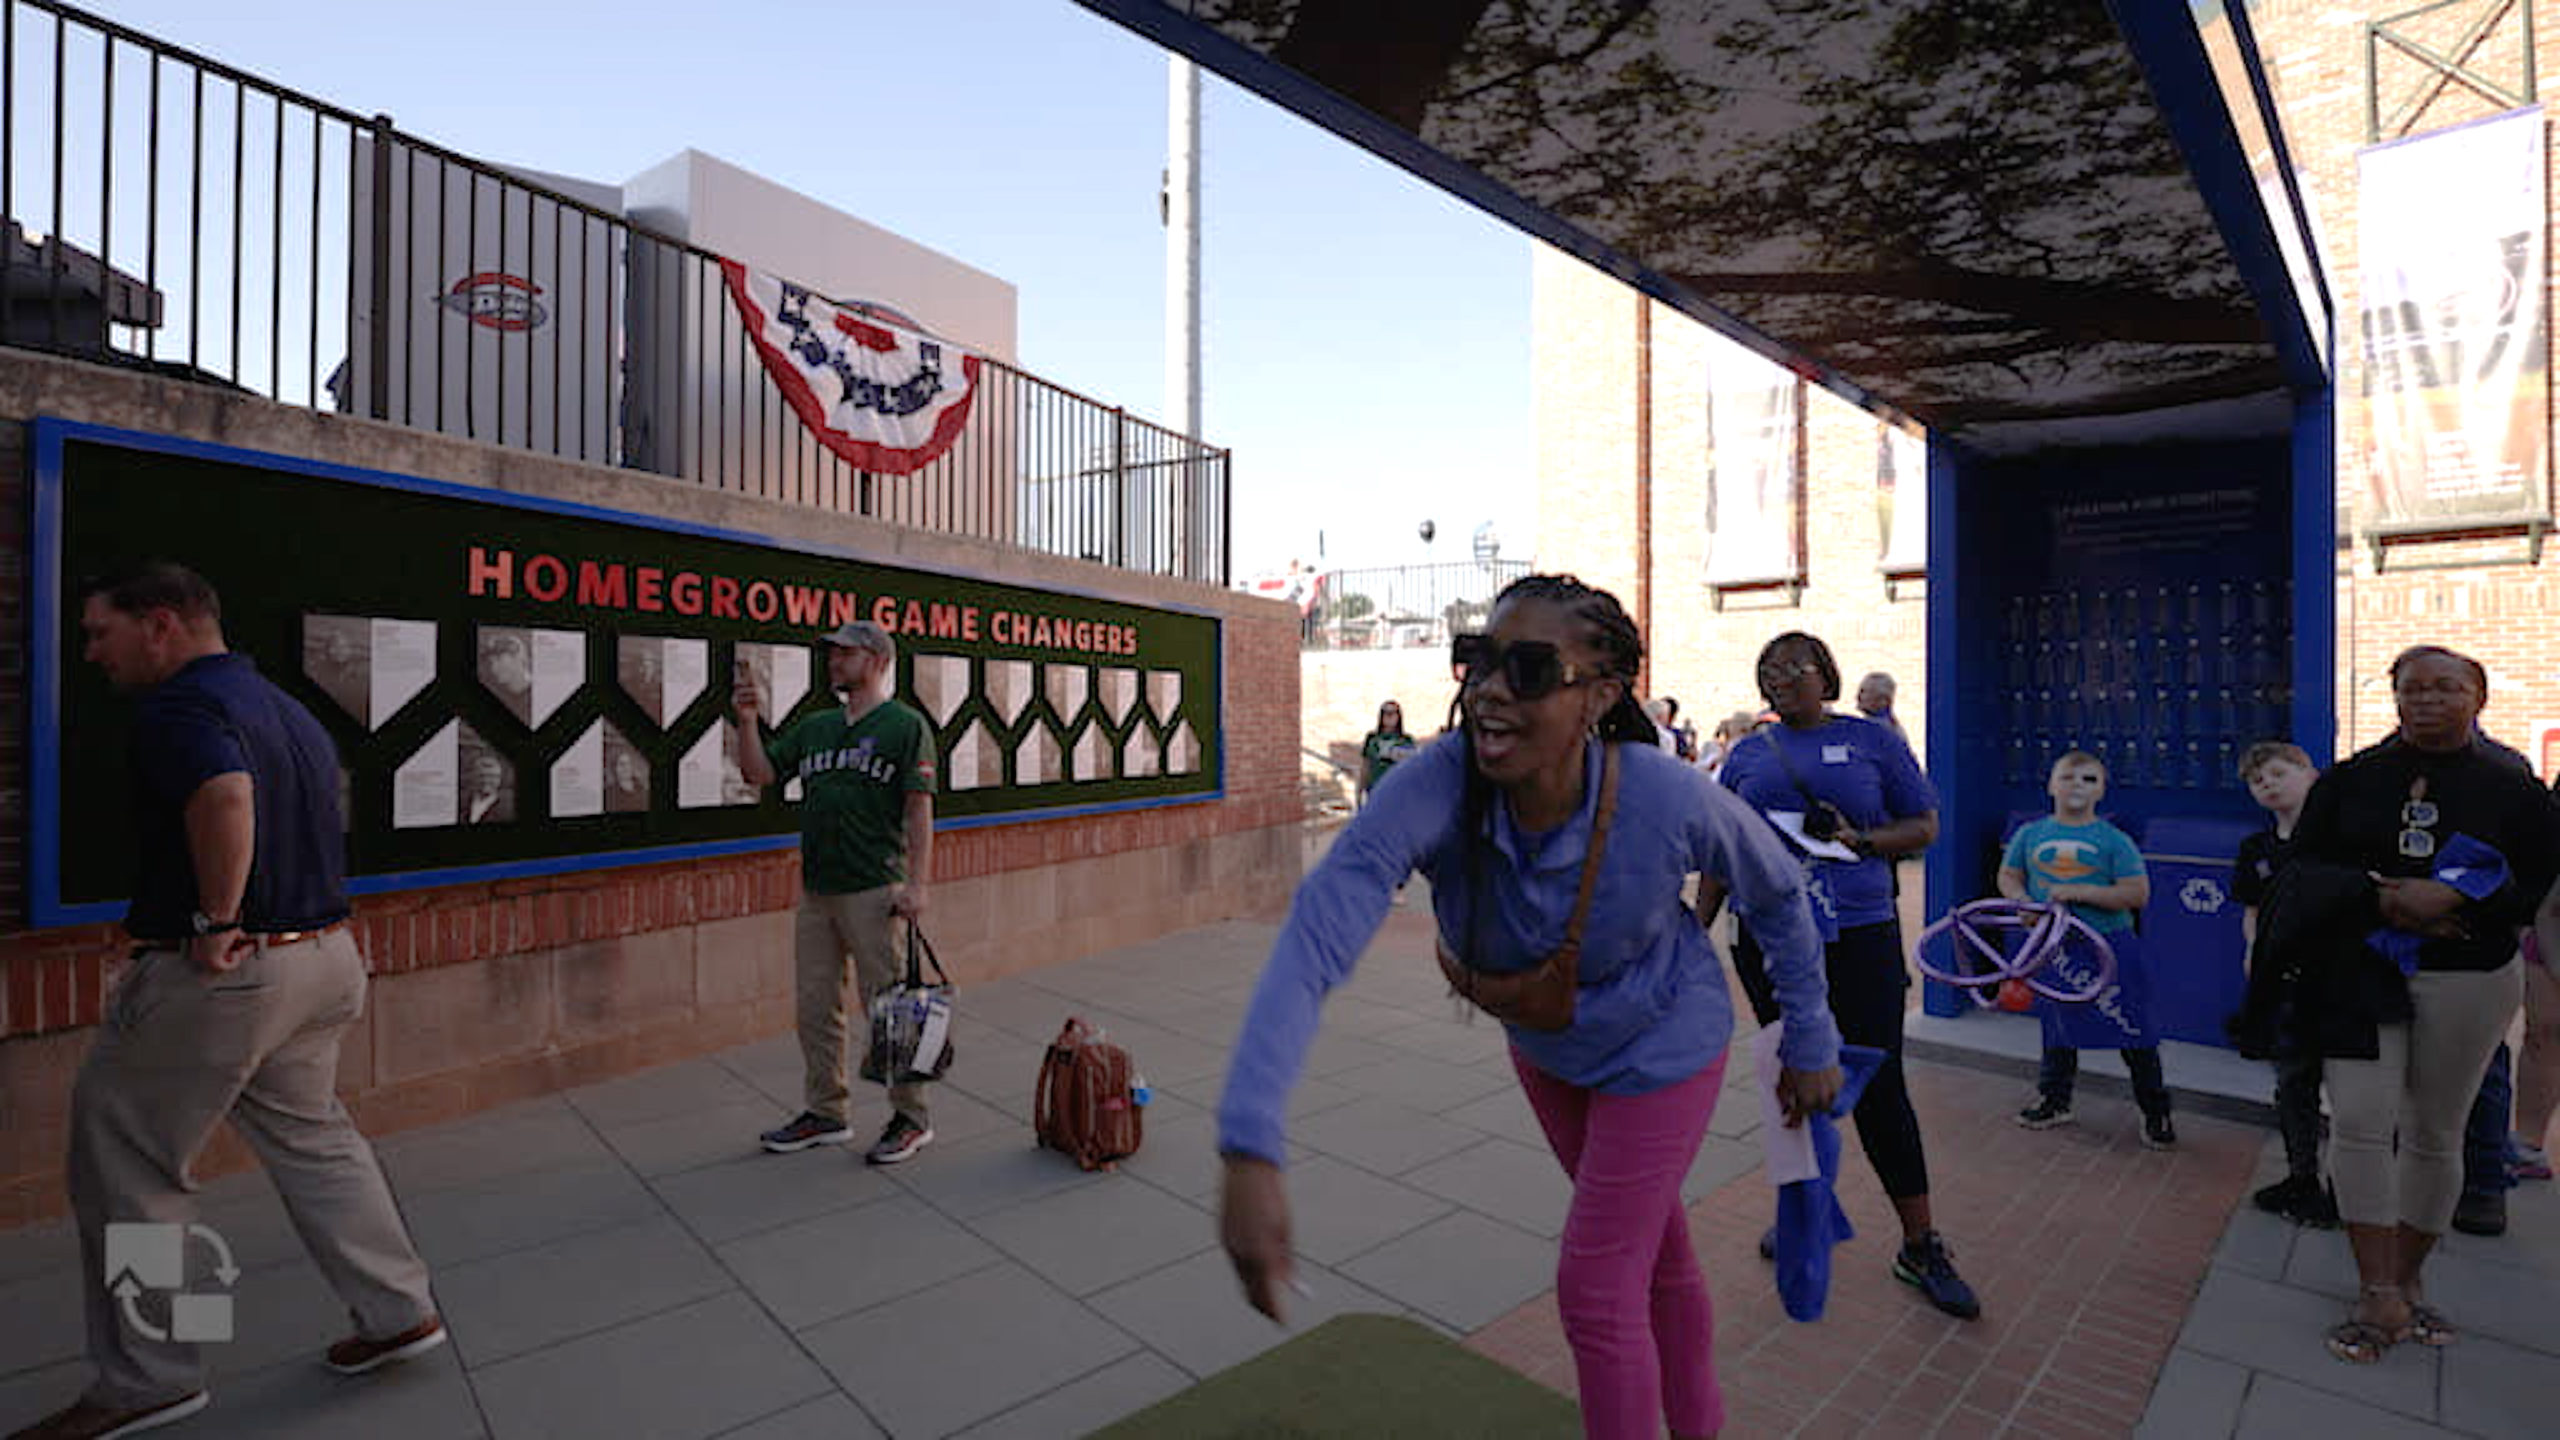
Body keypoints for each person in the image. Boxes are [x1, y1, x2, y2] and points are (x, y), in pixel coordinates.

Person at [1218, 574, 1842, 1440]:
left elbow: (1776, 894)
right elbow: (1319, 934)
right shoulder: (1439, 781)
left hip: (1664, 1049)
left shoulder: (1663, 795)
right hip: (1550, 1050)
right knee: (1650, 1251)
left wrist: (1812, 1035)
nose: (1491, 691)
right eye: (1478, 662)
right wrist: (1251, 1142)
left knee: (1594, 1288)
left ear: (1602, 695)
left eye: (1532, 669)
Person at [14, 565, 445, 1440]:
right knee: (316, 1138)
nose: (92, 653)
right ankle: (400, 1309)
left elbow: (226, 794)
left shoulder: (179, 709)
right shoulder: (282, 706)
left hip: (227, 973)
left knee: (133, 1165)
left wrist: (216, 920)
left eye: (101, 632)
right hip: (324, 958)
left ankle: (155, 1375)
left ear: (160, 624)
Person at [2266, 645, 2560, 1364]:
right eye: (2412, 688)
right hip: (2361, 972)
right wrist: (2383, 896)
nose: (2427, 699)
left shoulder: (2513, 786)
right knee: (2362, 1123)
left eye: (2446, 687)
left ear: (2477, 696)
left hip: (2468, 977)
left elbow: (2539, 874)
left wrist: (2457, 896)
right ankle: (2376, 1290)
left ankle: (2410, 1273)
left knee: (2436, 1130)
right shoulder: (2350, 780)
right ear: (2393, 698)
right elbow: (2302, 866)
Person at [1719, 631, 1981, 1320]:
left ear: (1824, 674)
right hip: (1768, 938)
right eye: (1766, 669)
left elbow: (1923, 825)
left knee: (1878, 1084)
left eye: (1792, 667)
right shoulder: (1747, 752)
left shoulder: (1873, 740)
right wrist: (1696, 926)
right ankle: (1807, 1213)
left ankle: (1920, 1242)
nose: (1778, 678)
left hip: (1858, 933)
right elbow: (1723, 845)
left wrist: (1859, 841)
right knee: (1792, 1076)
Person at [735, 621, 941, 1166]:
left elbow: (920, 808)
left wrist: (918, 884)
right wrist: (748, 722)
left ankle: (911, 1118)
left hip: (875, 888)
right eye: (831, 655)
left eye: (844, 654)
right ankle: (827, 1111)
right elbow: (758, 772)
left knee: (891, 1010)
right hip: (818, 890)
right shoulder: (817, 726)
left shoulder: (904, 726)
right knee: (815, 1006)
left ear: (876, 659)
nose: (833, 662)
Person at [2004, 750, 2176, 1148]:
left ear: (2101, 790)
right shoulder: (2030, 834)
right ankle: (2054, 1098)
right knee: (2056, 1025)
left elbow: (2137, 893)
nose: (2077, 786)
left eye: (2088, 779)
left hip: (2109, 947)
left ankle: (2155, 1110)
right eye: (2068, 777)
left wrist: (2079, 892)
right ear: (2050, 785)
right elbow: (2010, 874)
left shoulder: (2114, 840)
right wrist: (2020, 901)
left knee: (2133, 1027)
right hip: (2054, 947)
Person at [2232, 740, 2335, 1225]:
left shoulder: (2343, 838)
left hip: (2338, 981)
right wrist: (2254, 953)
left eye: (2277, 773)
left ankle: (2351, 1188)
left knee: (2350, 1092)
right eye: (2257, 781)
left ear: (2309, 773)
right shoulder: (2255, 849)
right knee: (2293, 1081)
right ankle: (2302, 1178)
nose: (2268, 784)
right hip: (2284, 986)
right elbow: (2251, 911)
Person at [1356, 700, 1416, 808]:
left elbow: (1412, 769)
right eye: (1385, 712)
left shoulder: (1406, 740)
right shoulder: (1372, 738)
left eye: (1393, 712)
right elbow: (1365, 766)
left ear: (1399, 716)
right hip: (1376, 789)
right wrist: (1359, 793)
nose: (1389, 716)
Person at [1855, 671, 1905, 742]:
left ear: (1883, 700)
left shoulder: (1875, 729)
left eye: (1864, 692)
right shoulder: (1894, 728)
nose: (1858, 697)